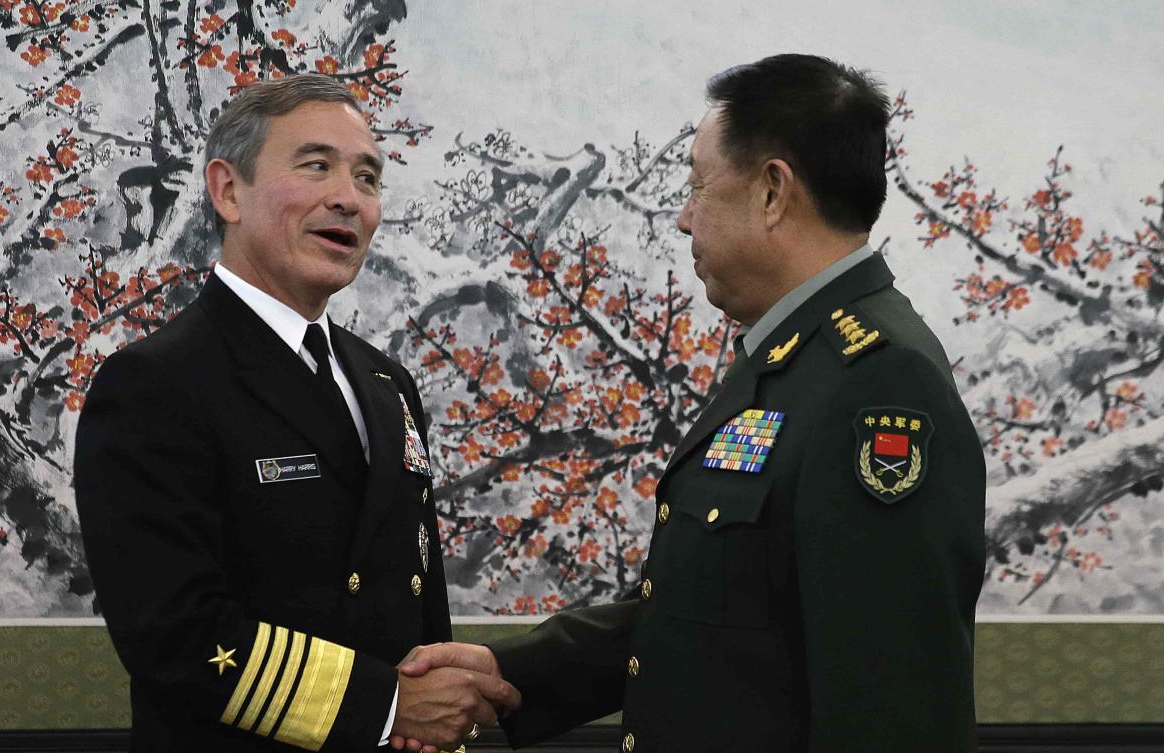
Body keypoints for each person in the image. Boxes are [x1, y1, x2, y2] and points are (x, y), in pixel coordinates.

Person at [396, 54, 986, 752]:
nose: (682, 218)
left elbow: (891, 706)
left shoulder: (878, 383)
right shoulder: (793, 357)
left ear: (773, 192)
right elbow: (713, 615)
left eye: (698, 186)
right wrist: (513, 674)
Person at [74, 74, 517, 753]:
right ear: (228, 191)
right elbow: (174, 633)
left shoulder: (385, 382)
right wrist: (388, 705)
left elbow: (416, 606)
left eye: (367, 178)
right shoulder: (154, 384)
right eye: (316, 166)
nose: (348, 198)